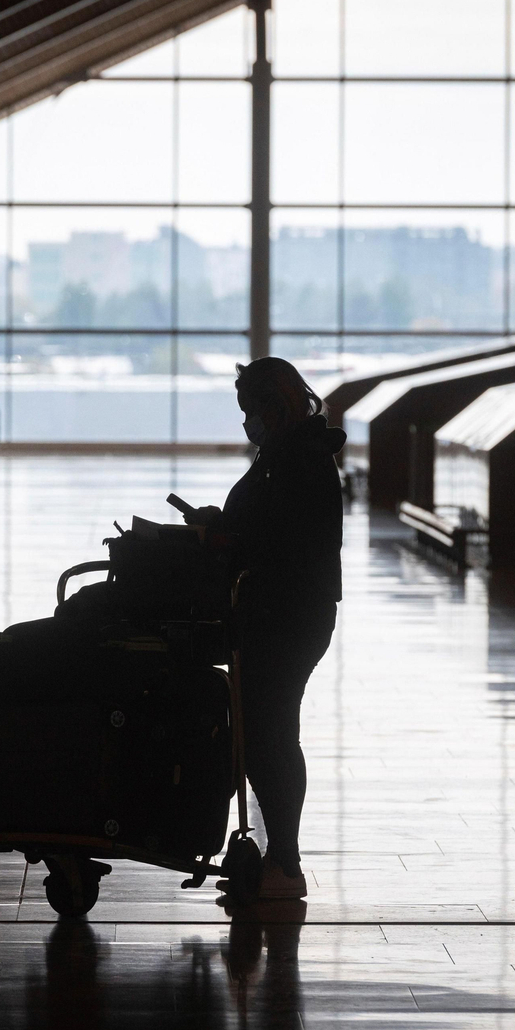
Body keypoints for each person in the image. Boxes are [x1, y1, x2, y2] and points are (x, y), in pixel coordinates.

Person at [188, 357, 344, 901]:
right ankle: (282, 859)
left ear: (273, 407)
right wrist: (224, 526)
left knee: (270, 735)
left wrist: (222, 539)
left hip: (287, 615)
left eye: (250, 411)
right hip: (286, 612)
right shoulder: (289, 454)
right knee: (268, 732)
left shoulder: (297, 461)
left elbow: (277, 544)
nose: (246, 422)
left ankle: (286, 863)